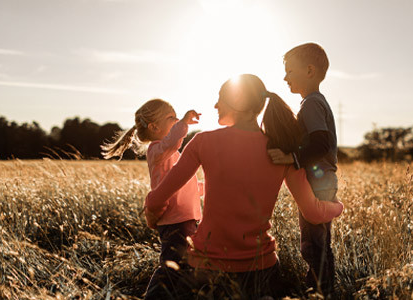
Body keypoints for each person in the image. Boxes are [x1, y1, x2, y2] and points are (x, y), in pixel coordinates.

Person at [145, 74, 344, 299]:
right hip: (262, 273)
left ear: (237, 101)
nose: (215, 105)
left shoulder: (203, 142)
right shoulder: (282, 152)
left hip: (205, 271)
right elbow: (314, 213)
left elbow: (155, 199)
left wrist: (152, 219)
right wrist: (338, 207)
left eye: (220, 98)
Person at [101, 99, 203, 299]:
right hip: (174, 222)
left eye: (176, 117)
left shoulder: (171, 154)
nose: (175, 120)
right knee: (170, 268)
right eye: (171, 117)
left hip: (186, 219)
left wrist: (210, 188)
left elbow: (186, 184)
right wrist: (183, 123)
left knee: (185, 266)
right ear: (154, 127)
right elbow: (172, 142)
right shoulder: (157, 151)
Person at [267, 42, 339, 293]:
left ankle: (319, 291)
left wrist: (291, 158)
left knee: (312, 244)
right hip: (324, 180)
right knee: (320, 243)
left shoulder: (310, 104)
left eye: (289, 71)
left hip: (319, 182)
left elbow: (321, 143)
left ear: (309, 71)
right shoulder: (316, 102)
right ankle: (325, 288)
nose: (285, 77)